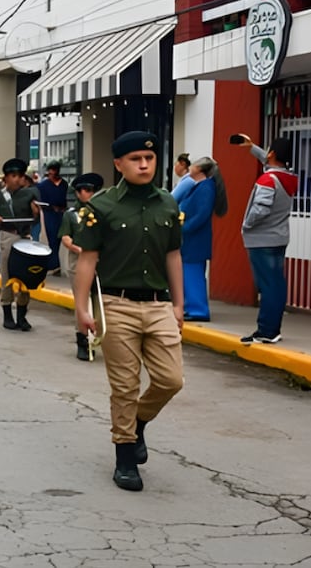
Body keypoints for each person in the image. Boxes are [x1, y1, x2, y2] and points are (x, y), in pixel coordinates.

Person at [74, 131, 184, 492]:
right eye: (136, 159)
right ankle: (124, 458)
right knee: (125, 385)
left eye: (149, 158)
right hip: (115, 304)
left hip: (158, 304)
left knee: (171, 380)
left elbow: (173, 255)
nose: (144, 165)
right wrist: (81, 309)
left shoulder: (168, 203)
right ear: (119, 164)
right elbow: (87, 260)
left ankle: (137, 422)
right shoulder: (102, 207)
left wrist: (179, 304)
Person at [237, 135, 298, 344]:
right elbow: (270, 161)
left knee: (267, 286)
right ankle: (273, 329)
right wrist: (252, 147)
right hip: (279, 238)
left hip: (261, 239)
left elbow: (260, 209)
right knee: (276, 284)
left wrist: (246, 225)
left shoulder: (267, 180)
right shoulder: (288, 178)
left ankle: (266, 330)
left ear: (272, 153)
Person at [0, 158, 40, 331]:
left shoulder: (30, 194)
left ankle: (22, 315)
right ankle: (7, 314)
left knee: (26, 276)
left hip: (25, 236)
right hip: (8, 235)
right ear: (6, 178)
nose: (17, 179)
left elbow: (36, 217)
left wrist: (36, 212)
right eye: (13, 176)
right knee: (7, 276)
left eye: (20, 176)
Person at [58, 173, 103, 360]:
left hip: (102, 262)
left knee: (101, 302)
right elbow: (65, 238)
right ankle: (82, 340)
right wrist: (81, 250)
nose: (88, 193)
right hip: (79, 262)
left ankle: (100, 336)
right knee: (82, 302)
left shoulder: (103, 212)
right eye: (84, 190)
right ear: (77, 193)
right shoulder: (71, 215)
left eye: (92, 190)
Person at [179, 157, 227, 322]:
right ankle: (191, 307)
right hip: (192, 239)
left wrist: (184, 228)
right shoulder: (200, 186)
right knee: (189, 275)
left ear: (199, 169)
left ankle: (198, 310)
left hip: (195, 240)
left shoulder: (206, 187)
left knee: (193, 275)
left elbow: (201, 214)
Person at [37, 160, 69, 271]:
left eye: (54, 171)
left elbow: (65, 198)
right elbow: (41, 201)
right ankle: (53, 263)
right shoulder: (43, 185)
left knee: (59, 236)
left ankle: (55, 262)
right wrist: (49, 207)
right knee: (52, 237)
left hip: (61, 212)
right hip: (50, 213)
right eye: (50, 171)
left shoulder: (64, 184)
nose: (52, 173)